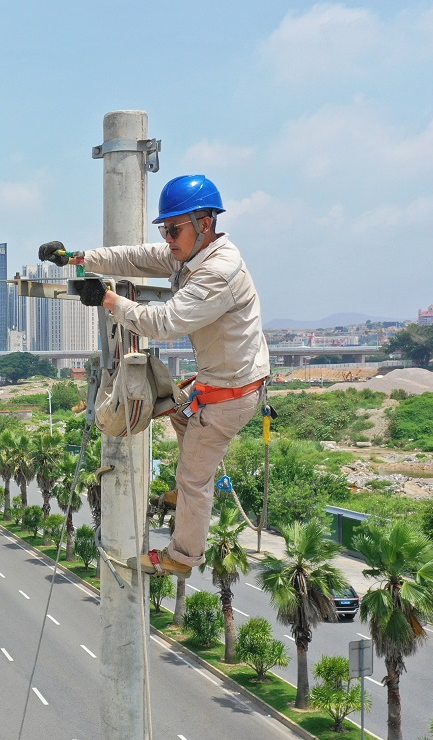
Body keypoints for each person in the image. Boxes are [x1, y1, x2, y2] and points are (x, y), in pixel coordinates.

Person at [38, 174, 269, 578]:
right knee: (177, 410)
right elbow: (135, 258)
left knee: (194, 478)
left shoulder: (218, 272)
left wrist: (109, 299)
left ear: (204, 223)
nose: (168, 239)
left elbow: (164, 323)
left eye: (174, 229)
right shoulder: (192, 253)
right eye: (165, 230)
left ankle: (183, 557)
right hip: (223, 381)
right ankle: (186, 491)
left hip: (230, 394)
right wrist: (76, 257)